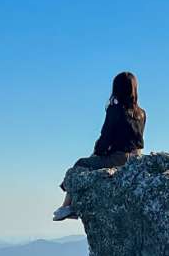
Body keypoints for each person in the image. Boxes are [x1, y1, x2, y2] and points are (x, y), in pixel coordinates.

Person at [53, 71, 145, 221]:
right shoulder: (141, 113)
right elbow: (136, 140)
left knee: (81, 163)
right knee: (89, 161)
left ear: (117, 89)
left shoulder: (115, 110)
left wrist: (98, 152)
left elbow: (106, 136)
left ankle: (67, 207)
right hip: (136, 158)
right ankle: (67, 206)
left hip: (118, 158)